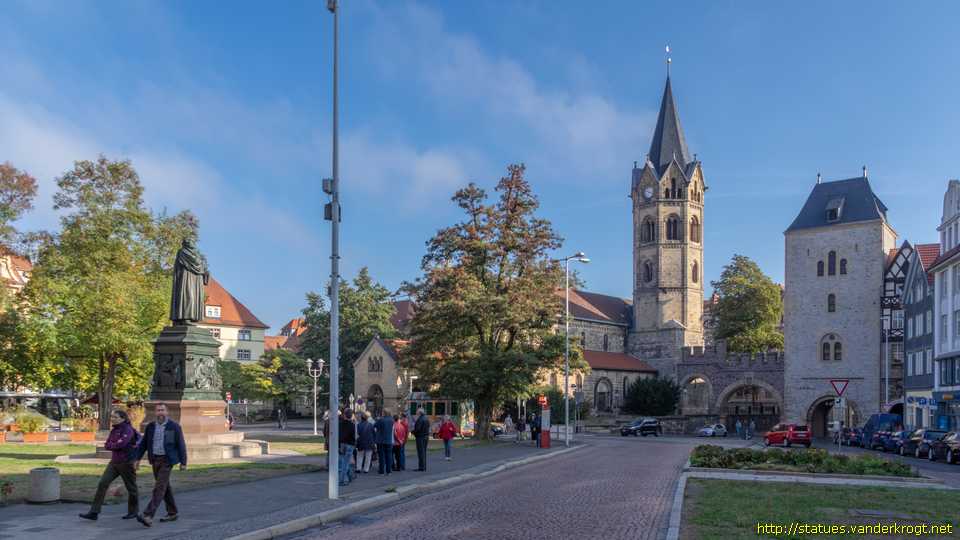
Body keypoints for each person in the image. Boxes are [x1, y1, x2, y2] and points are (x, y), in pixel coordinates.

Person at [79, 409, 141, 521]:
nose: (112, 419)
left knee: (131, 487)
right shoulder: (114, 430)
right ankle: (94, 512)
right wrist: (114, 444)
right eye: (112, 417)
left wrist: (114, 445)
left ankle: (133, 512)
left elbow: (122, 444)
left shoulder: (128, 429)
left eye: (115, 417)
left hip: (127, 462)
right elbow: (107, 445)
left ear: (123, 418)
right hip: (114, 462)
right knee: (103, 483)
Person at [135, 403, 187, 527]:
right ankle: (172, 512)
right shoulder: (150, 427)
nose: (160, 412)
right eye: (158, 410)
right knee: (165, 487)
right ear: (155, 412)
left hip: (167, 461)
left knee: (159, 487)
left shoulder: (174, 427)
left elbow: (181, 445)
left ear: (167, 412)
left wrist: (183, 462)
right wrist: (137, 459)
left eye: (162, 410)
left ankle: (148, 515)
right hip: (155, 460)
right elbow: (143, 444)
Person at [338, 409, 356, 486]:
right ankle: (342, 480)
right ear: (351, 416)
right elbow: (354, 436)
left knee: (344, 461)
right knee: (345, 463)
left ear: (344, 415)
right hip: (349, 444)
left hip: (342, 444)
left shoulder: (340, 424)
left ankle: (350, 476)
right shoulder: (352, 425)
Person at [374, 410, 394, 475]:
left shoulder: (381, 420)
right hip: (388, 440)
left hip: (381, 440)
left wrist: (378, 419)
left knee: (381, 456)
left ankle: (381, 471)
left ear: (384, 413)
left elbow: (374, 425)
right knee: (389, 456)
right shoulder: (391, 420)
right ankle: (389, 471)